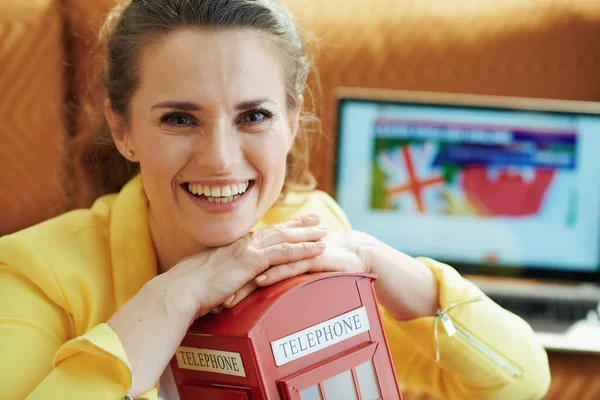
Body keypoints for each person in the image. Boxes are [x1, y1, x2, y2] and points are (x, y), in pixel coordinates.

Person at [0, 0, 551, 399]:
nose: (219, 158)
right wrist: (176, 296)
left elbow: (522, 380)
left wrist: (383, 265)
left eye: (253, 116)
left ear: (291, 124)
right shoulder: (32, 272)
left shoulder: (308, 235)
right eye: (179, 118)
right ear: (122, 130)